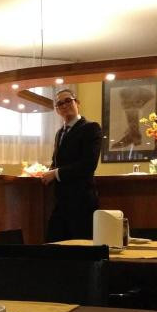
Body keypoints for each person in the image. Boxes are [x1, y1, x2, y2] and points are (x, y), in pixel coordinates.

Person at [40, 89, 103, 241]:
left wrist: (55, 173)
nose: (64, 105)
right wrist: (47, 171)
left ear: (77, 103)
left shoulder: (91, 128)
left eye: (68, 100)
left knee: (80, 248)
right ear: (57, 110)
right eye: (60, 104)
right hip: (61, 202)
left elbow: (88, 164)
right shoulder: (59, 133)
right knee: (53, 245)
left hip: (82, 202)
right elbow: (57, 161)